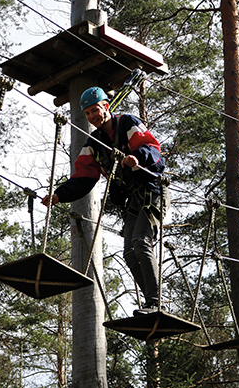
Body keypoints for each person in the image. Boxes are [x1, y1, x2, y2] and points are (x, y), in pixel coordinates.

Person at [41, 86, 168, 316]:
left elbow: (153, 150)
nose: (92, 117)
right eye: (87, 113)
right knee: (129, 253)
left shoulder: (127, 123)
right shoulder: (94, 144)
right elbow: (82, 178)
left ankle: (155, 301)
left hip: (151, 192)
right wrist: (60, 195)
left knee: (141, 242)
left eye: (95, 110)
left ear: (106, 106)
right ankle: (153, 302)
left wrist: (136, 158)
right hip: (132, 199)